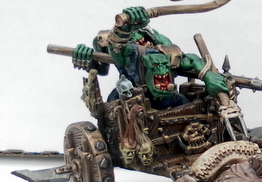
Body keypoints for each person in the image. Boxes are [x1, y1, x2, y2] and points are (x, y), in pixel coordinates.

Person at [72, 6, 229, 109]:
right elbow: (107, 64)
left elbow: (187, 59)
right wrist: (88, 61)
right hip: (130, 97)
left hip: (167, 97)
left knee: (192, 112)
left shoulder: (158, 40)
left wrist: (208, 75)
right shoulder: (108, 40)